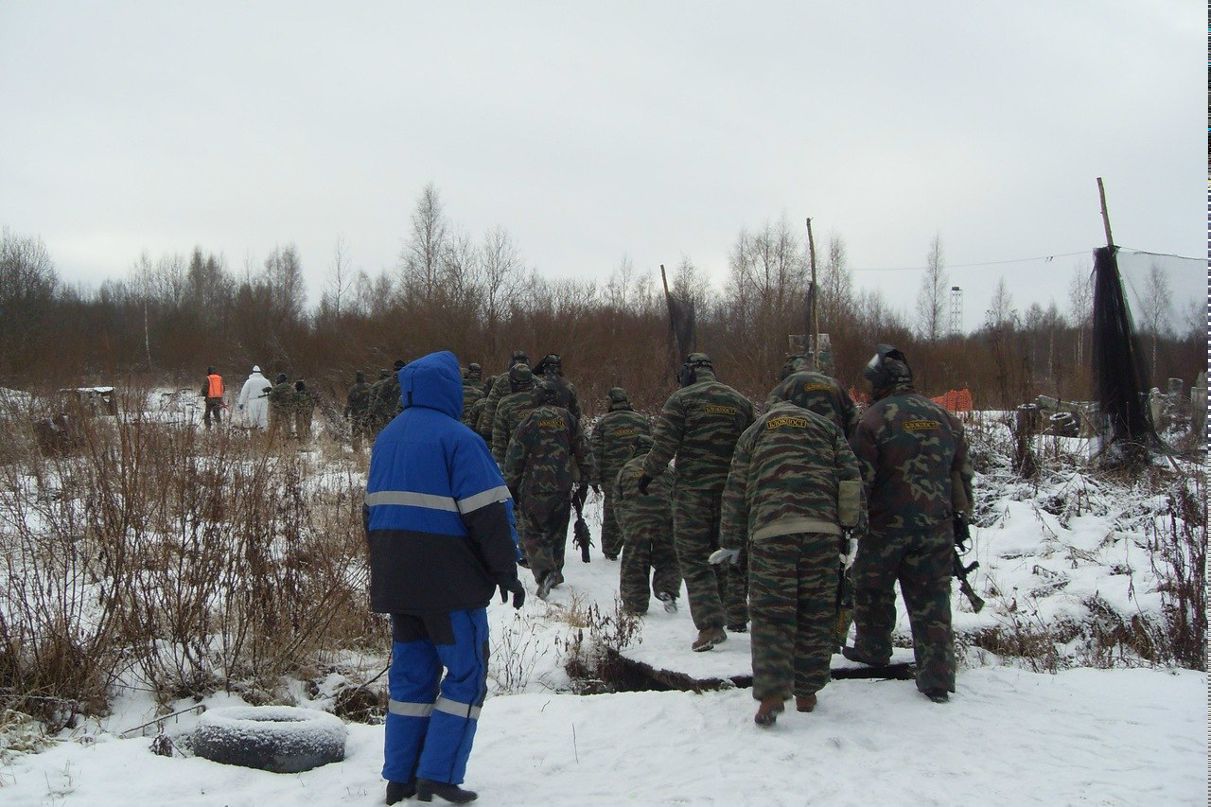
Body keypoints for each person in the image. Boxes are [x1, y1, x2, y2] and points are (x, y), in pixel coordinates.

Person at [365, 350, 524, 805]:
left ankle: (400, 777)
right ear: (449, 390)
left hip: (398, 584)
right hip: (451, 586)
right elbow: (489, 513)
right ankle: (438, 774)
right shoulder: (461, 439)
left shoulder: (387, 438)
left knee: (411, 680)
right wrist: (505, 571)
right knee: (466, 676)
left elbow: (370, 511)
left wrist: (387, 567)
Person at [715, 395, 865, 726]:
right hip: (823, 532)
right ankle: (808, 692)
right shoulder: (827, 429)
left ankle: (770, 695)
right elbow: (851, 480)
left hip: (770, 532)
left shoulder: (753, 433)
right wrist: (853, 529)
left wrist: (731, 541)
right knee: (816, 611)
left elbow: (735, 489)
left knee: (771, 615)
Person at [845, 344, 974, 704]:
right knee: (932, 599)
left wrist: (852, 522)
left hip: (885, 526)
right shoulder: (945, 418)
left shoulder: (873, 420)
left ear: (878, 382)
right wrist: (961, 518)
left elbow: (860, 480)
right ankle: (937, 677)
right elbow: (962, 475)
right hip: (936, 527)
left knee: (871, 588)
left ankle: (873, 649)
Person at [639, 353, 754, 651]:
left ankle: (711, 625)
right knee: (729, 554)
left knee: (694, 559)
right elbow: (753, 447)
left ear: (687, 373)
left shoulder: (682, 400)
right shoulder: (740, 401)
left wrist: (647, 473)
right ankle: (737, 613)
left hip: (693, 493)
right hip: (732, 494)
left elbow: (664, 445)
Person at [502, 380, 597, 600]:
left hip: (534, 485)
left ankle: (545, 573)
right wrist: (586, 480)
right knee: (557, 529)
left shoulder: (530, 420)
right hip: (562, 484)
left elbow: (515, 453)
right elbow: (584, 450)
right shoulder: (568, 419)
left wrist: (512, 485)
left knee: (533, 531)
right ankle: (556, 570)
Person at [614, 433, 680, 615]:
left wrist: (624, 527)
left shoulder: (626, 469)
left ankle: (635, 604)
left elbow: (617, 501)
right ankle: (667, 590)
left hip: (635, 524)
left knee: (634, 563)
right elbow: (678, 496)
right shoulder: (666, 468)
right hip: (664, 521)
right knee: (668, 558)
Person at [591, 387, 651, 560]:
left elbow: (595, 452)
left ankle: (611, 550)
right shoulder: (641, 421)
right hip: (640, 474)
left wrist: (593, 478)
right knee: (640, 510)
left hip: (612, 477)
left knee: (612, 511)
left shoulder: (603, 423)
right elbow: (652, 446)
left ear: (610, 402)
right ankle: (643, 547)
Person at [490, 364, 538, 468]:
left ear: (513, 382)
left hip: (515, 463)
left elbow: (499, 441)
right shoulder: (542, 399)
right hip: (541, 463)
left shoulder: (506, 403)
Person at [476, 350, 529, 439]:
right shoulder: (537, 381)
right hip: (531, 428)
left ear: (510, 363)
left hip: (507, 429)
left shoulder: (501, 380)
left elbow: (492, 405)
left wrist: (487, 430)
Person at [532, 353, 581, 423]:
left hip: (541, 426)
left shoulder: (538, 385)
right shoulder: (570, 386)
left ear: (544, 367)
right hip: (564, 426)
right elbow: (576, 414)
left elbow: (531, 411)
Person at [370, 360, 407, 437]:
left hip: (388, 418)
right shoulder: (409, 381)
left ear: (394, 369)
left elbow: (379, 401)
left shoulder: (387, 383)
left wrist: (373, 414)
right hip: (405, 418)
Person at [236, 365, 271, 430]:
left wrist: (241, 403)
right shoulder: (266, 381)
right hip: (264, 400)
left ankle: (254, 434)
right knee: (263, 418)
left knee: (253, 418)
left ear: (252, 372)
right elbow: (271, 391)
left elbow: (244, 392)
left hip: (253, 401)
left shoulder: (249, 381)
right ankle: (264, 433)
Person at [345, 371, 372, 451]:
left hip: (356, 415)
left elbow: (349, 403)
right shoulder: (370, 387)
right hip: (368, 414)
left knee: (356, 433)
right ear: (364, 377)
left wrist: (346, 413)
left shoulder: (353, 388)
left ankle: (357, 452)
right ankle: (372, 449)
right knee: (370, 433)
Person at [267, 372, 295, 440]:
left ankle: (275, 437)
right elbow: (294, 397)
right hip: (289, 408)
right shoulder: (291, 388)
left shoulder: (276, 388)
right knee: (287, 422)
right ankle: (288, 437)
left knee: (275, 423)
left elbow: (271, 398)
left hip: (278, 409)